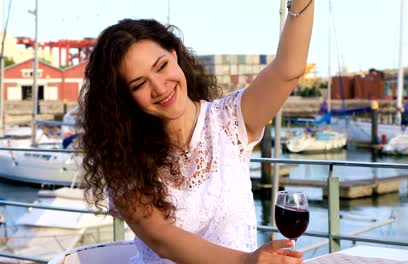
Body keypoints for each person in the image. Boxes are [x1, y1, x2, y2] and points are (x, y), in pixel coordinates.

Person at [78, 0, 314, 263]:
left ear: (174, 54)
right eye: (139, 84)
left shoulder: (230, 120)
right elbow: (163, 239)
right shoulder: (122, 158)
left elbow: (288, 70)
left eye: (161, 66)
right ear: (124, 99)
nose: (159, 87)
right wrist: (246, 261)